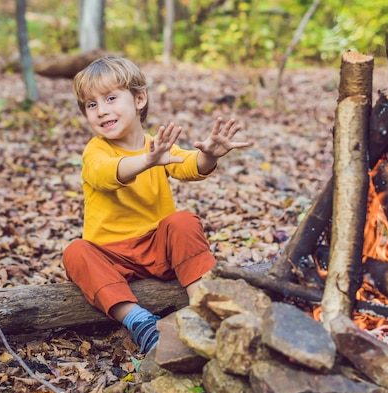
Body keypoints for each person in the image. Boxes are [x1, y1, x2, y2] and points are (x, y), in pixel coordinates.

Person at [62, 56, 250, 355]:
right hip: (110, 256)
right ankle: (139, 321)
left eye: (111, 98)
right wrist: (146, 161)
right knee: (75, 252)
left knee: (183, 221)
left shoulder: (157, 146)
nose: (101, 110)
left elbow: (188, 165)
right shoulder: (96, 150)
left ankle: (204, 304)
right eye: (91, 104)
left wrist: (210, 156)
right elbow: (104, 175)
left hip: (157, 249)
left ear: (139, 99)